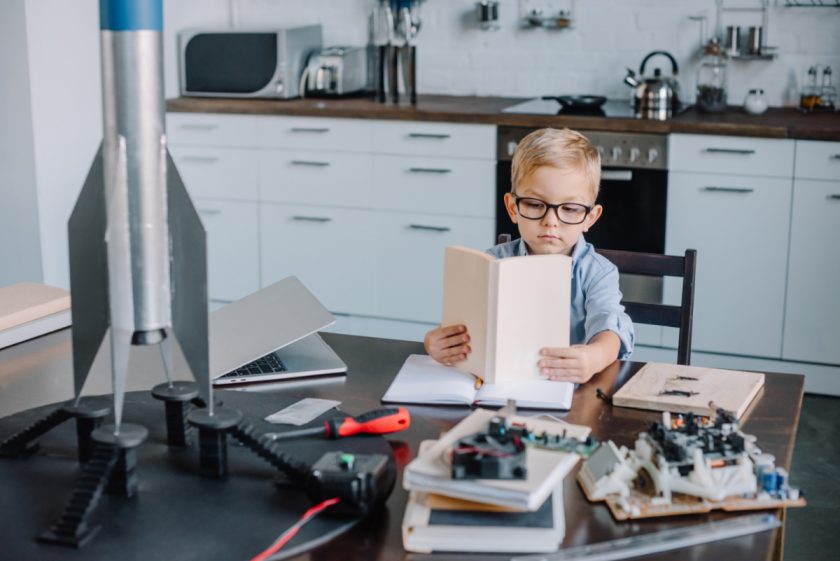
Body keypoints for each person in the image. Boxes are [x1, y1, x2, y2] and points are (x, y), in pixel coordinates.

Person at [423, 127, 634, 384]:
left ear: (590, 217)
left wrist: (594, 358)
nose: (550, 222)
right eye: (535, 204)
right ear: (513, 208)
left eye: (569, 208)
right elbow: (463, 329)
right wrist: (435, 342)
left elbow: (610, 329)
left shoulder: (598, 272)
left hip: (569, 392)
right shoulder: (493, 263)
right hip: (502, 389)